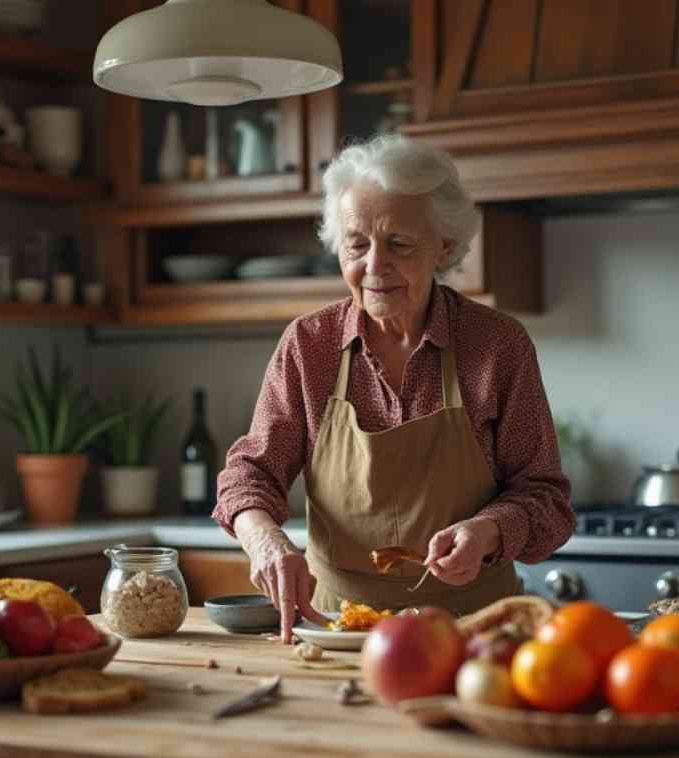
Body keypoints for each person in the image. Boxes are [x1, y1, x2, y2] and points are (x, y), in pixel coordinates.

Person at [212, 135, 575, 641]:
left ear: (444, 246)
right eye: (356, 244)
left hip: (476, 633)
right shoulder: (308, 346)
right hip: (338, 629)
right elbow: (249, 473)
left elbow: (546, 500)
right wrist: (266, 542)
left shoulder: (496, 345)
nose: (374, 266)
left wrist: (487, 530)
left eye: (399, 244)